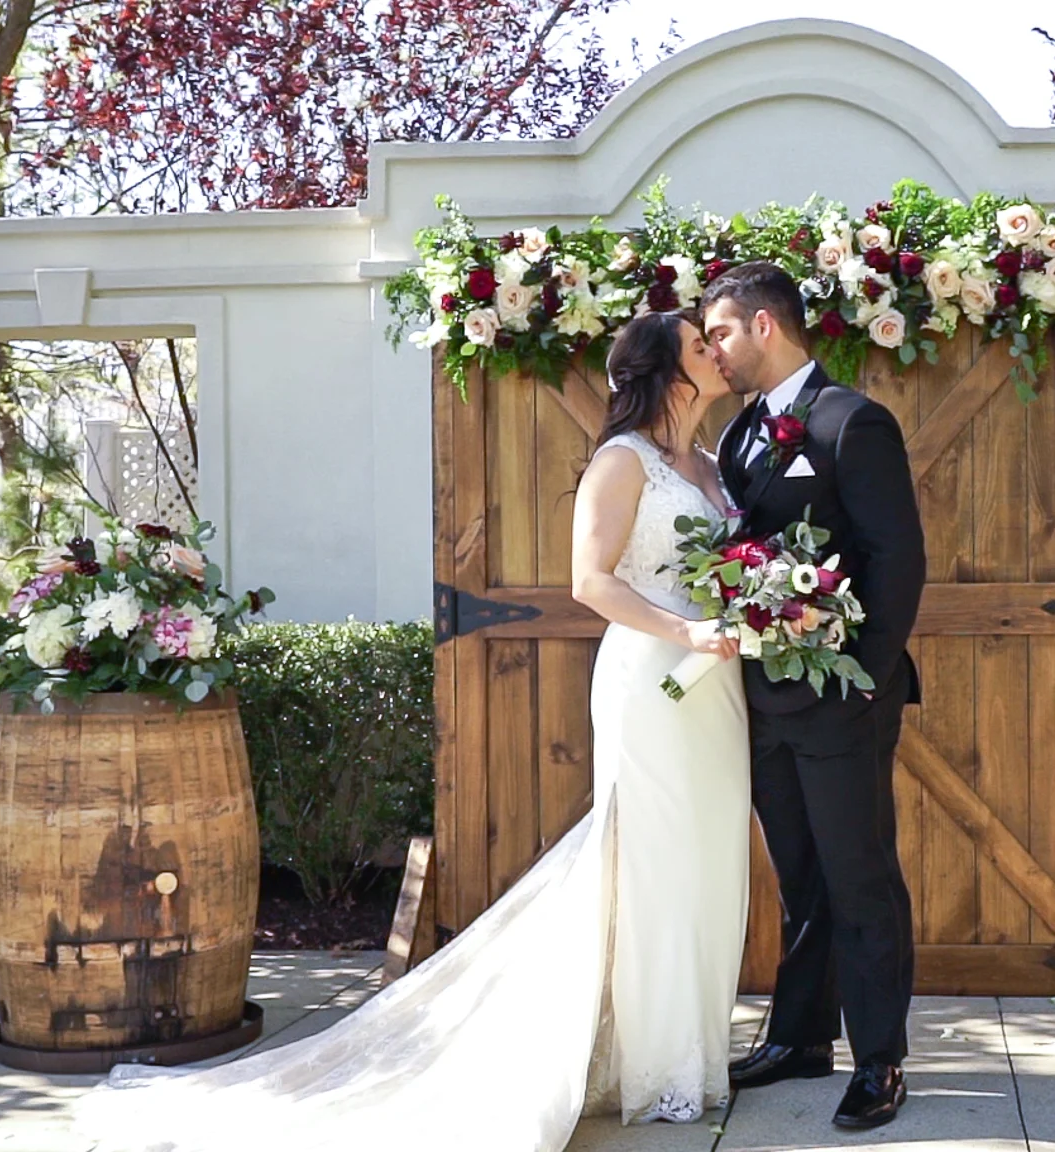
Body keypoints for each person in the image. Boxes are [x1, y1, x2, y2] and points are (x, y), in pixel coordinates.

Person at [73, 310, 751, 1152]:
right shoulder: (624, 462)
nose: (716, 354)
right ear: (665, 370)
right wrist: (685, 631)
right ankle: (655, 1069)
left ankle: (689, 1055)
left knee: (706, 858)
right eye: (699, 345)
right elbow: (589, 582)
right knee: (649, 859)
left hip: (716, 685)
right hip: (654, 676)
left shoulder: (717, 463)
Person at [703, 261, 928, 1131]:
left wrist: (861, 682)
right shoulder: (736, 435)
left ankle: (880, 1061)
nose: (712, 350)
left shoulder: (851, 422)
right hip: (760, 704)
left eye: (720, 332)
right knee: (800, 876)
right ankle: (800, 1036)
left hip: (841, 704)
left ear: (765, 326)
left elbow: (896, 560)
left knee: (861, 877)